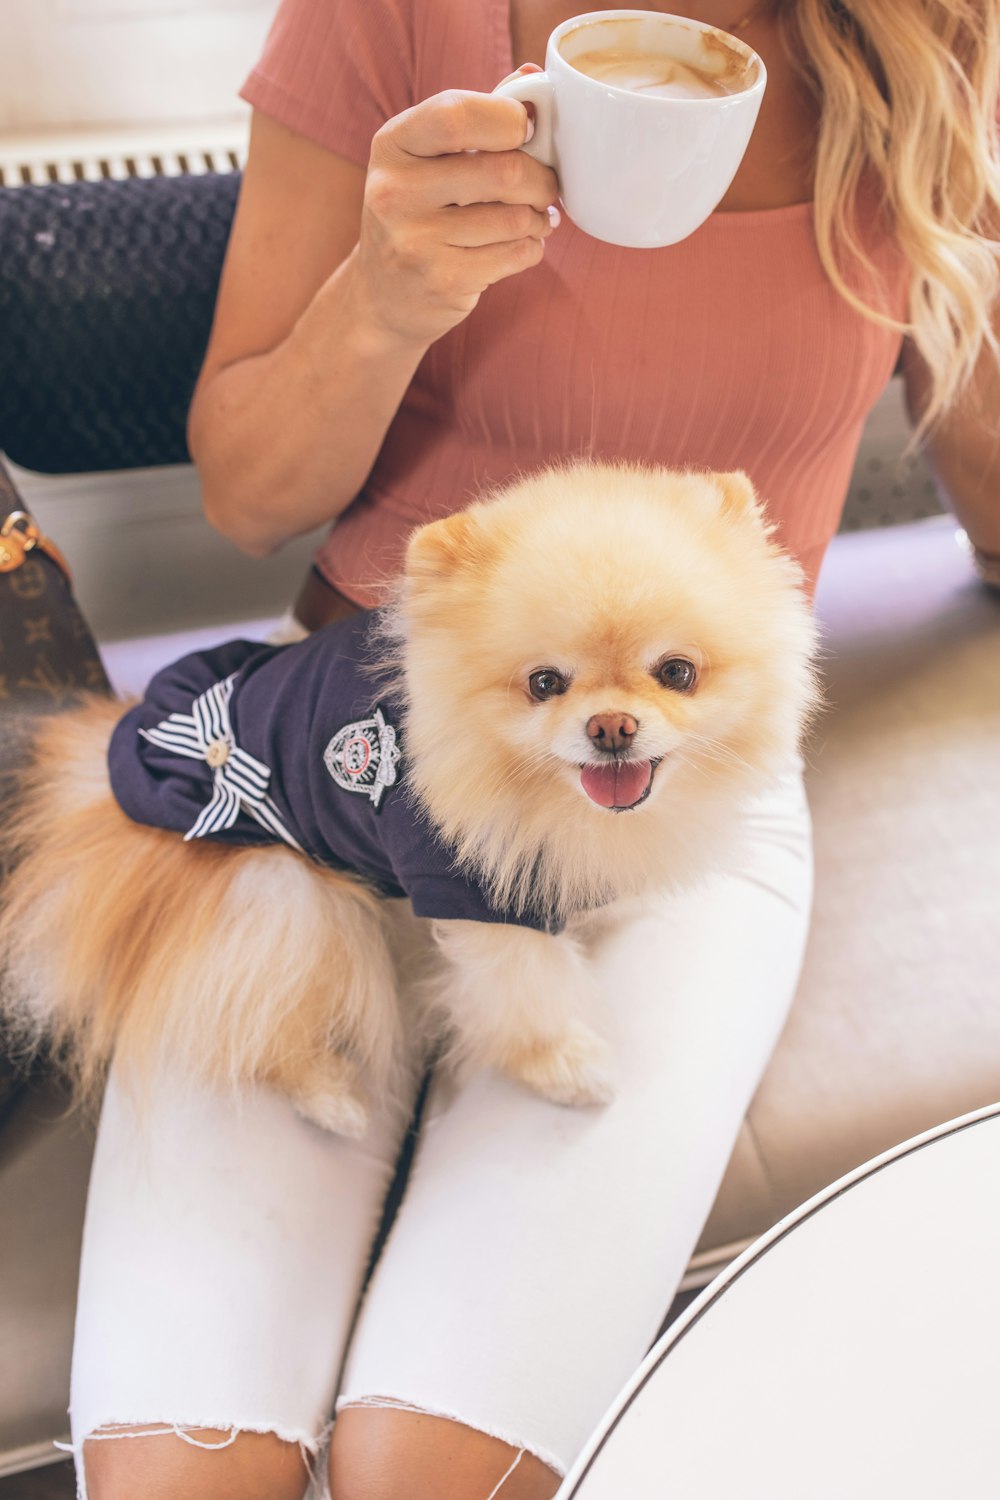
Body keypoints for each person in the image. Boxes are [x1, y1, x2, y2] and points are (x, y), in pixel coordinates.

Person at [73, 2, 1000, 1498]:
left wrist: (964, 226)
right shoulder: (380, 16)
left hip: (690, 800)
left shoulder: (921, 39)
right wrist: (385, 293)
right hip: (331, 760)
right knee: (184, 1480)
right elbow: (247, 496)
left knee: (423, 1471)